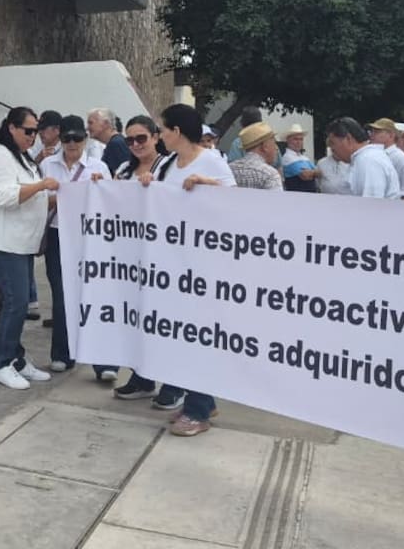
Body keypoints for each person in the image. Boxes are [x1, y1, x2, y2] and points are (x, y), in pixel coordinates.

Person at [138, 103, 236, 436]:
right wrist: (148, 183)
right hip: (175, 264)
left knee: (197, 336)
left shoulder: (211, 160)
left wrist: (207, 184)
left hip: (204, 265)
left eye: (163, 130)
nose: (160, 136)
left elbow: (237, 203)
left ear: (177, 131)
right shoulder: (169, 163)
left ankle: (198, 410)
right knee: (182, 335)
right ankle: (201, 400)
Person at [0, 106, 58, 389]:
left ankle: (17, 358)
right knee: (16, 302)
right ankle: (2, 363)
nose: (32, 136)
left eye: (35, 131)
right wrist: (41, 186)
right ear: (11, 127)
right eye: (28, 131)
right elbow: (5, 196)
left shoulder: (22, 157)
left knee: (21, 303)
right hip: (5, 241)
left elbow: (36, 199)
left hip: (23, 243)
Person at [105, 115, 170, 391]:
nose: (135, 144)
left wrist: (155, 188)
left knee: (161, 319)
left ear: (155, 137)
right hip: (130, 256)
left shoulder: (168, 166)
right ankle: (141, 375)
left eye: (141, 138)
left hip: (160, 254)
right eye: (130, 140)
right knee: (134, 317)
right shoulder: (124, 168)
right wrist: (100, 186)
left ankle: (171, 382)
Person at [41, 114, 108, 371]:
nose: (72, 144)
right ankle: (62, 353)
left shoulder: (98, 167)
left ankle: (103, 362)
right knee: (61, 296)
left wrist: (97, 190)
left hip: (89, 236)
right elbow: (38, 201)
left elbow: (110, 203)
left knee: (94, 296)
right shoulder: (47, 165)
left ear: (85, 139)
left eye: (77, 138)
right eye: (67, 139)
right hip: (58, 234)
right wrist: (63, 197)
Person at [326, 117, 399, 199]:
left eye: (333, 143)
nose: (332, 149)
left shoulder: (368, 161)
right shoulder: (365, 158)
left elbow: (371, 203)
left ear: (348, 139)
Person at [229, 122, 283, 190]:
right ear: (265, 146)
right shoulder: (270, 174)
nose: (276, 148)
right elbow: (276, 197)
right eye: (274, 143)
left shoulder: (229, 169)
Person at [366, 117, 404, 186]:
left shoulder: (400, 158)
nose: (372, 134)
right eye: (372, 131)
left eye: (377, 132)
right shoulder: (372, 154)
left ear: (391, 135)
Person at [88, 107, 131, 172]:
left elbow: (126, 172)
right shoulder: (115, 143)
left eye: (91, 123)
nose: (87, 128)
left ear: (106, 123)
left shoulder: (116, 144)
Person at [279, 125, 319, 192]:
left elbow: (319, 173)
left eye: (301, 139)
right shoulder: (287, 158)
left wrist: (311, 173)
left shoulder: (305, 158)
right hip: (296, 196)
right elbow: (305, 175)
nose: (299, 142)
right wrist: (314, 173)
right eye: (296, 139)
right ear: (288, 140)